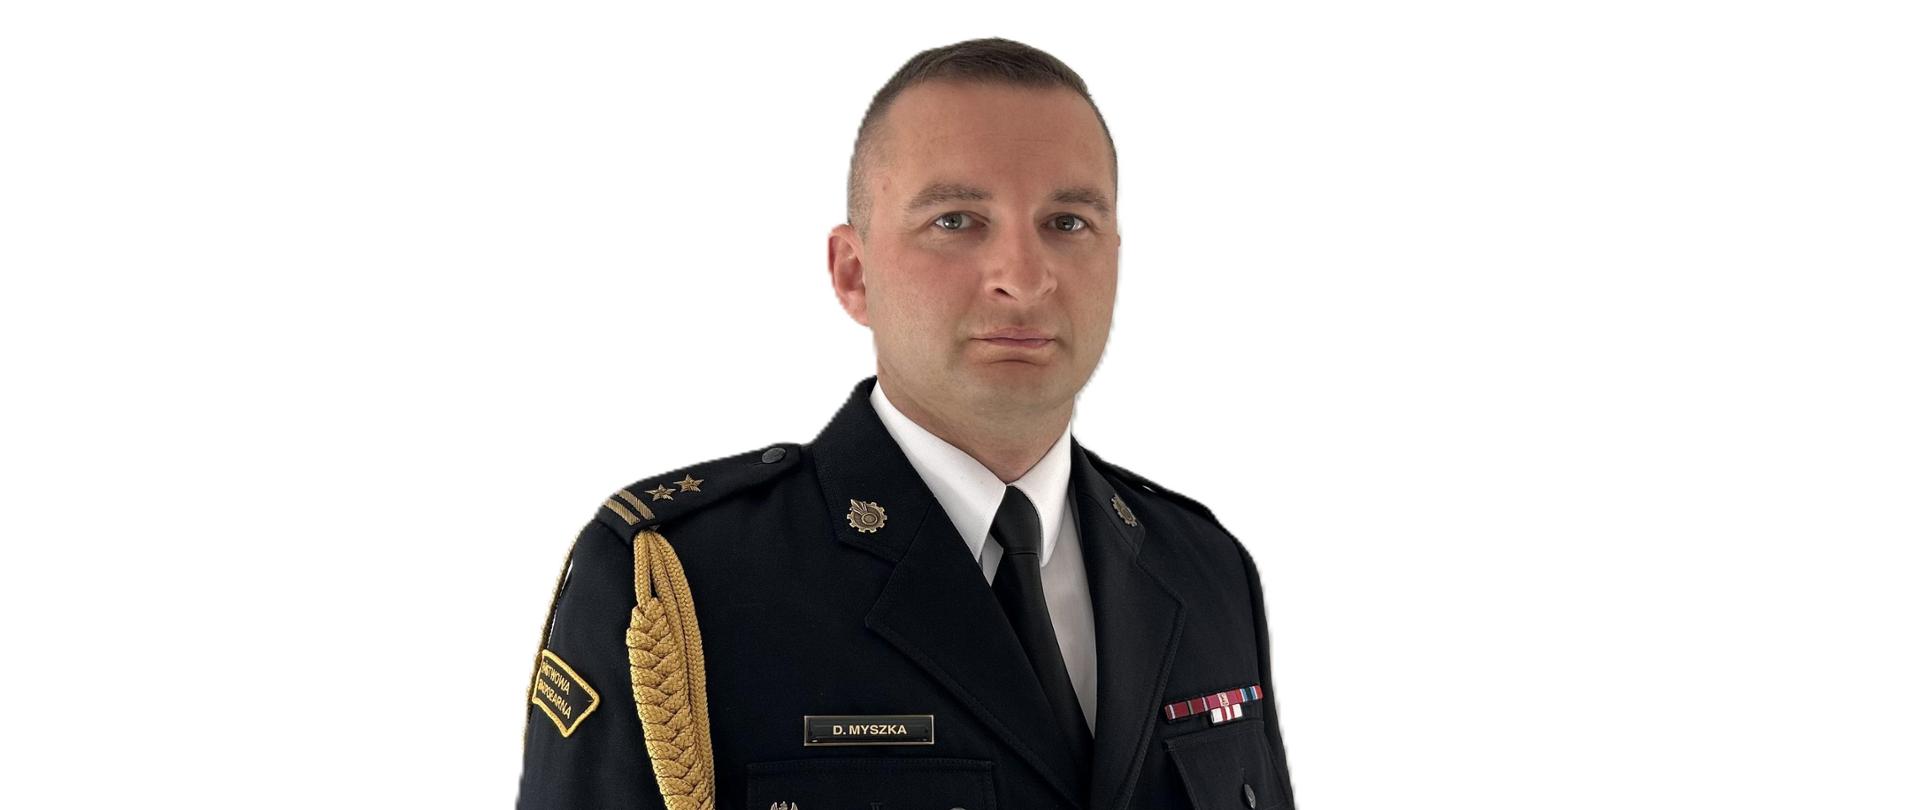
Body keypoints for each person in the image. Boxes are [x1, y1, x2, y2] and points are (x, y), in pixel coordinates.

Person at [516, 37, 1295, 810]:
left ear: (1115, 258)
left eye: (1067, 222)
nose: (1024, 278)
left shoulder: (1204, 570)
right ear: (853, 274)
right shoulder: (681, 586)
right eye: (956, 220)